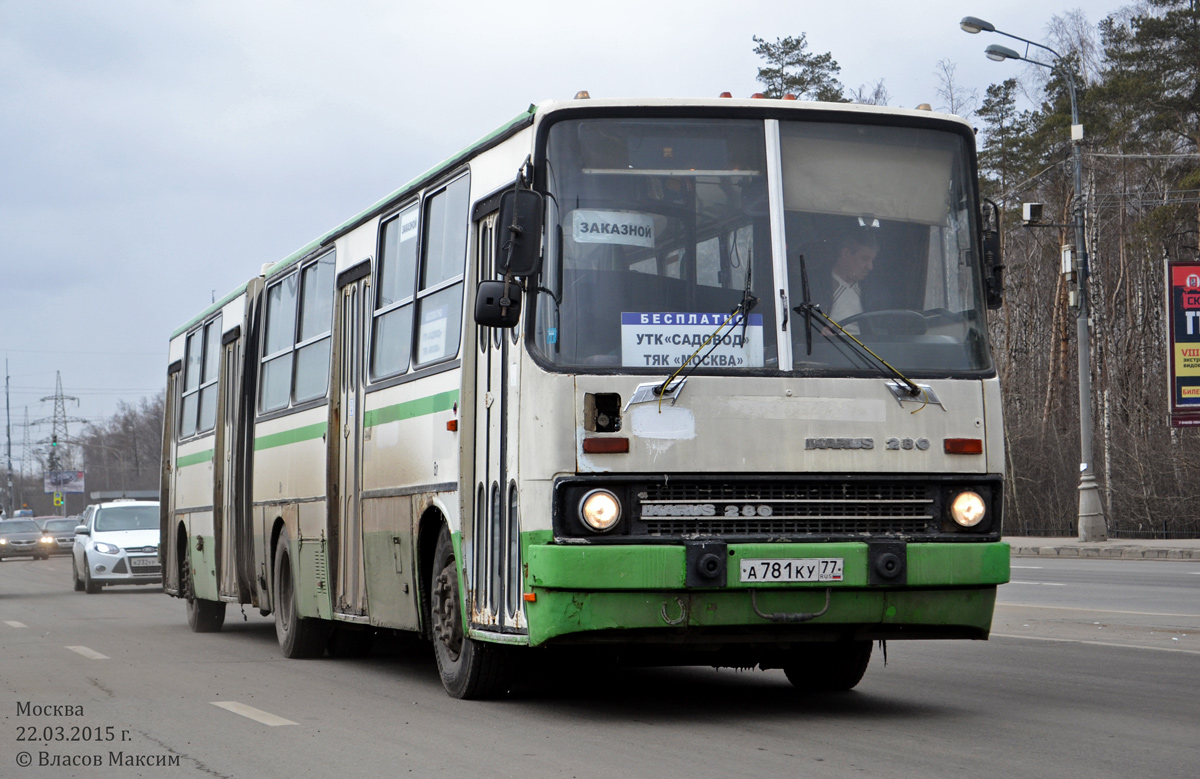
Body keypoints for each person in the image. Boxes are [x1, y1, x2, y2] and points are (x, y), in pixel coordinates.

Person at [819, 231, 878, 334]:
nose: (870, 267)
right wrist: (818, 331)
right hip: (827, 347)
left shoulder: (870, 289)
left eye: (872, 260)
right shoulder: (817, 285)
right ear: (846, 254)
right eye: (865, 259)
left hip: (865, 348)